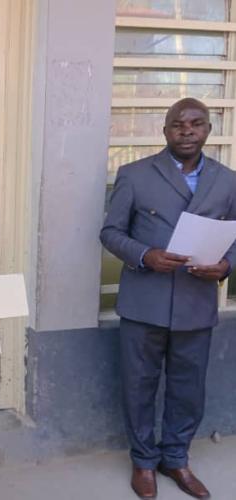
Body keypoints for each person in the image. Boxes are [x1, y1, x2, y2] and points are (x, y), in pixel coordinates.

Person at [101, 97, 236, 499]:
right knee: (138, 386)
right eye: (178, 124)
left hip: (196, 303)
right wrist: (146, 255)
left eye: (196, 123)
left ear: (209, 129)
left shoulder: (228, 180)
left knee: (187, 389)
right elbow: (110, 232)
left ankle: (176, 458)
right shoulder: (134, 174)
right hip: (145, 302)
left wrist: (226, 266)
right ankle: (144, 461)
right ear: (165, 131)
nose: (187, 131)